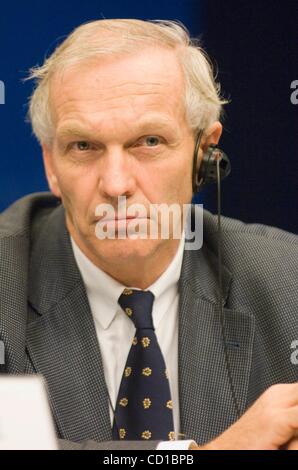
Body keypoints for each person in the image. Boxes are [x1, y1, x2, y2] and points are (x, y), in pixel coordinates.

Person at [0, 18, 298, 451]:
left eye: (149, 142)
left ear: (204, 153)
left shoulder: (287, 281)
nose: (116, 184)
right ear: (50, 164)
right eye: (83, 146)